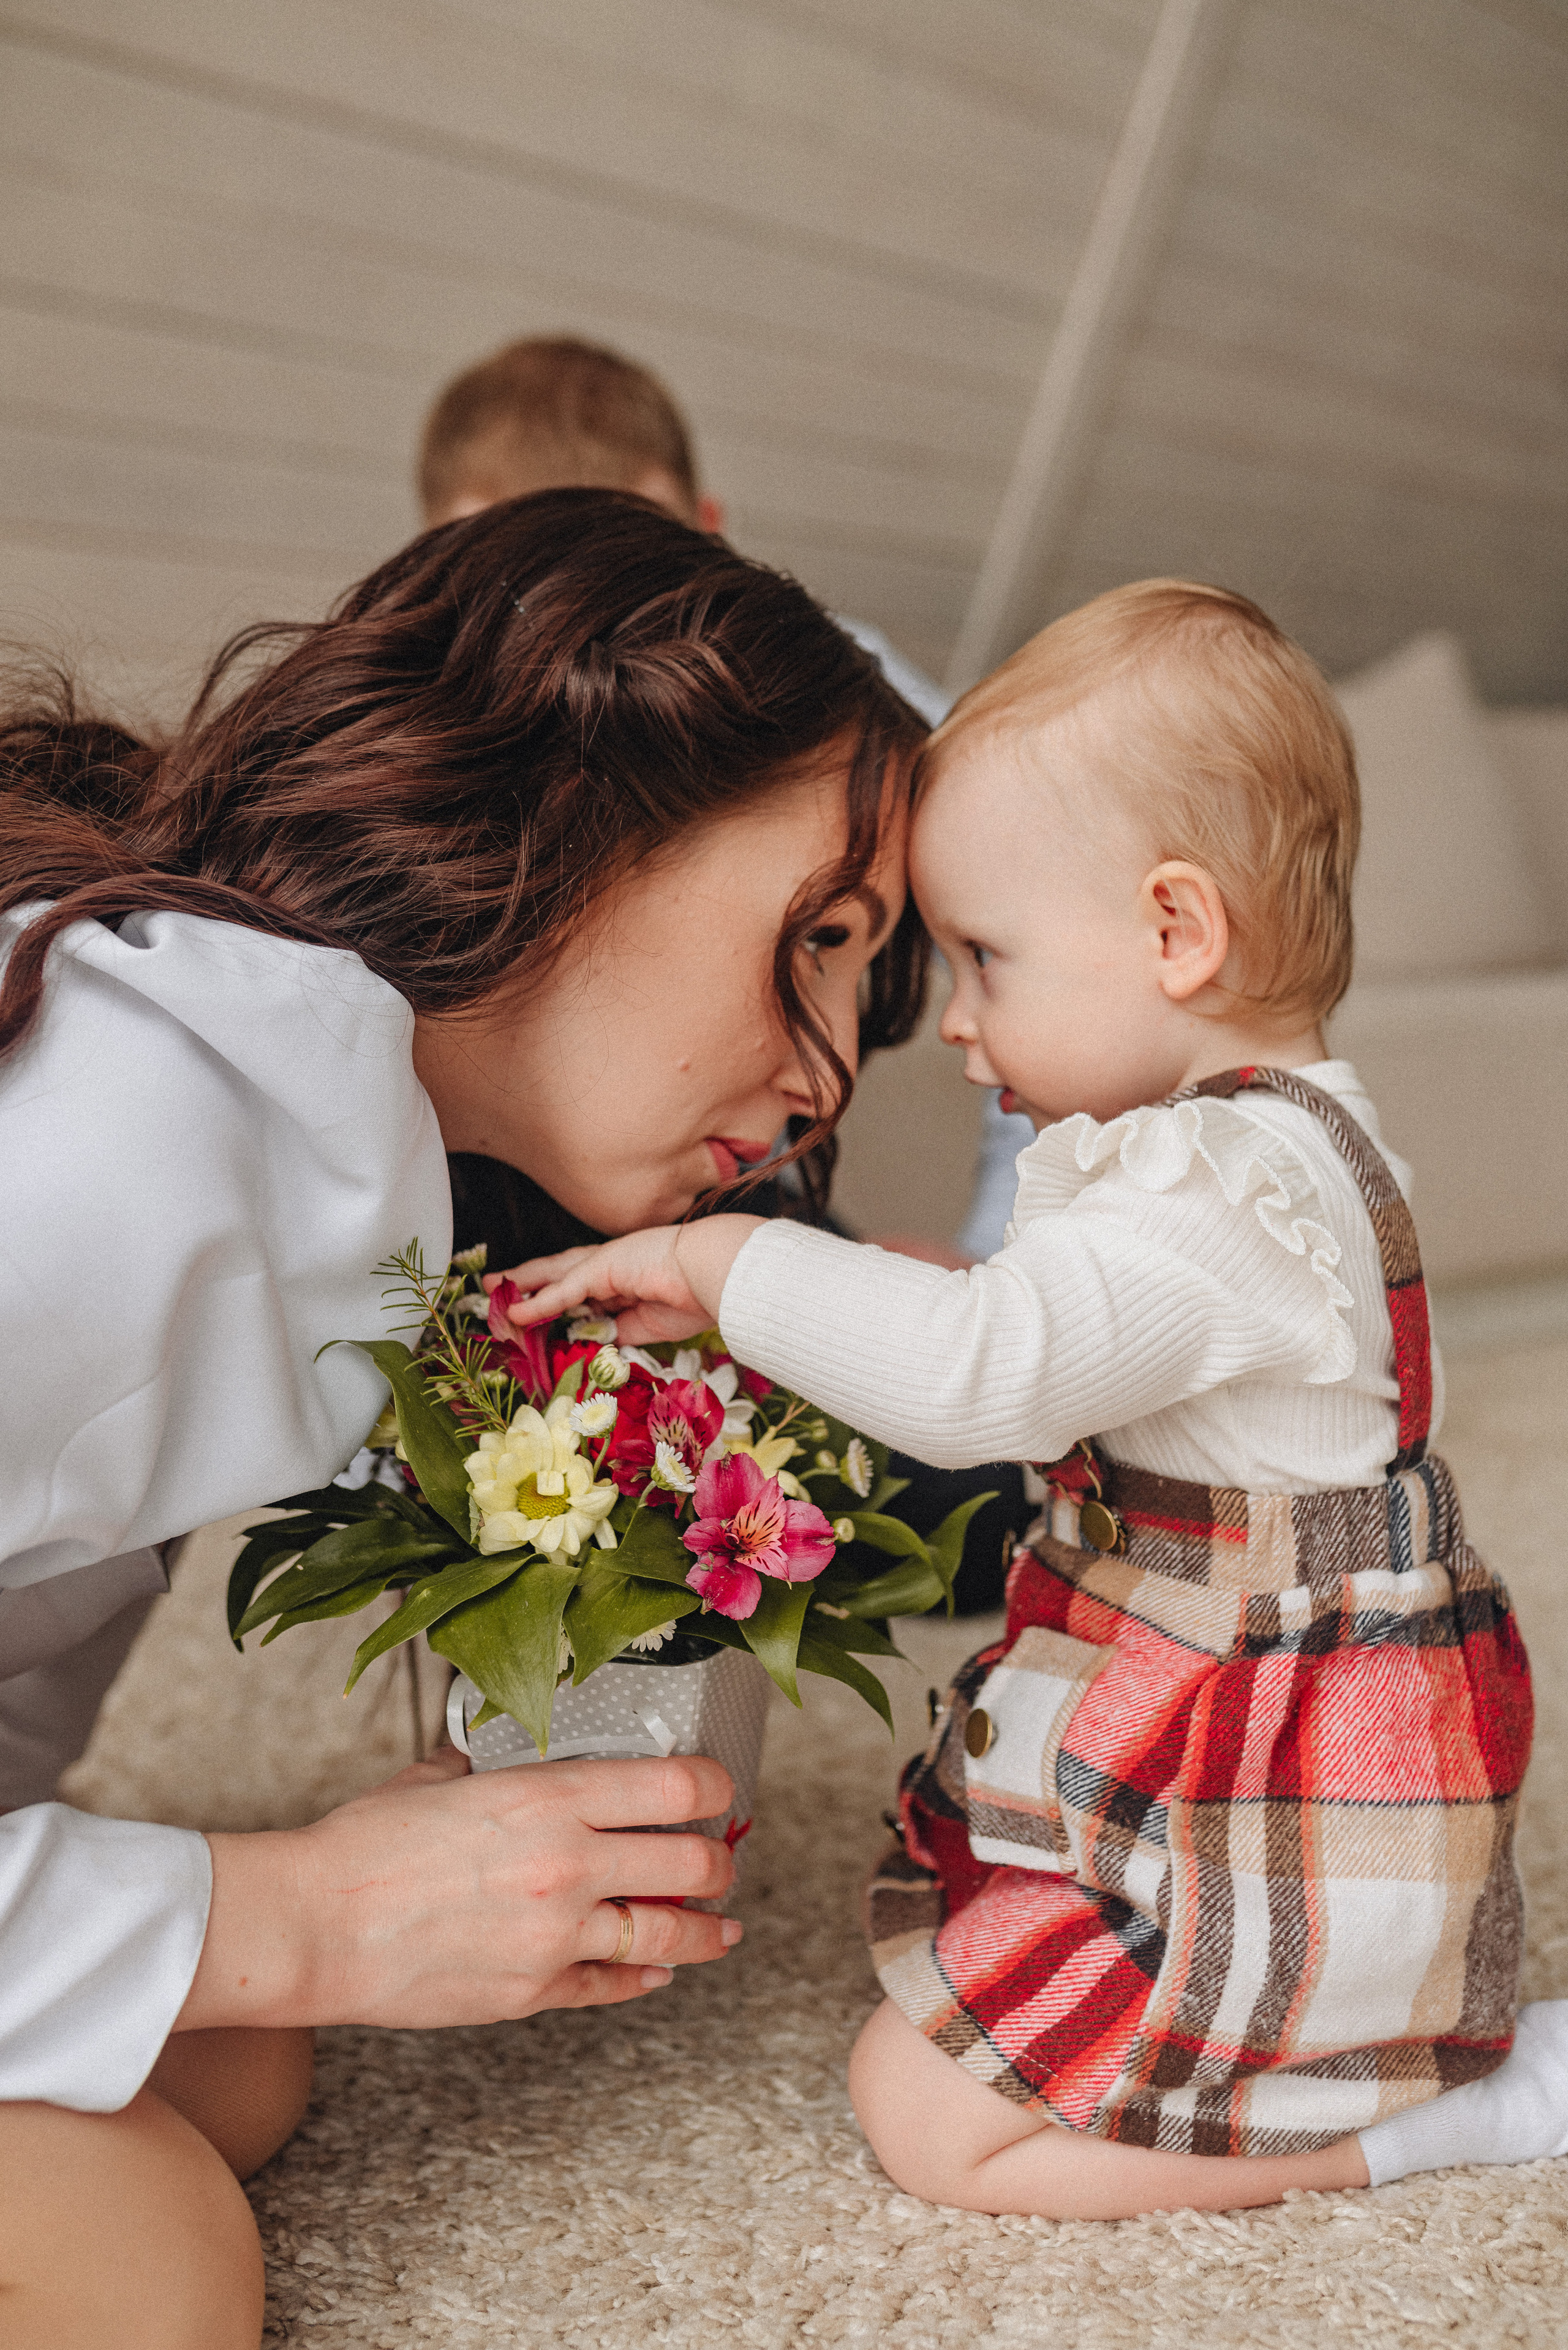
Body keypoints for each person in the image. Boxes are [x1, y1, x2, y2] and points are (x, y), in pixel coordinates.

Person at [496, 579, 1566, 2218]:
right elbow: (1052, 1325)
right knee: (959, 2026)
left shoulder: (1231, 1183)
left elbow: (983, 1374)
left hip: (1276, 1787)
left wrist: (730, 1265)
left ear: (1176, 931)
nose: (964, 1022)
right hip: (1201, 1720)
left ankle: (1432, 2128)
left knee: (932, 2121)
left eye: (987, 956)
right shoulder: (1232, 1147)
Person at [0, 489, 927, 2347]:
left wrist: (270, 1922)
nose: (826, 1077)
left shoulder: (278, 1104)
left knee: (230, 2058)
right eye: (821, 933)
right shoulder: (120, 1141)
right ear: (603, 789)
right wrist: (311, 1906)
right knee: (146, 2257)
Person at [418, 332, 1033, 1602]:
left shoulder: (846, 706)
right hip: (500, 1208)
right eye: (513, 571)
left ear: (703, 534)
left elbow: (1031, 937)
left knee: (970, 1509)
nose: (568, 622)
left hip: (746, 1200)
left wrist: (997, 1273)